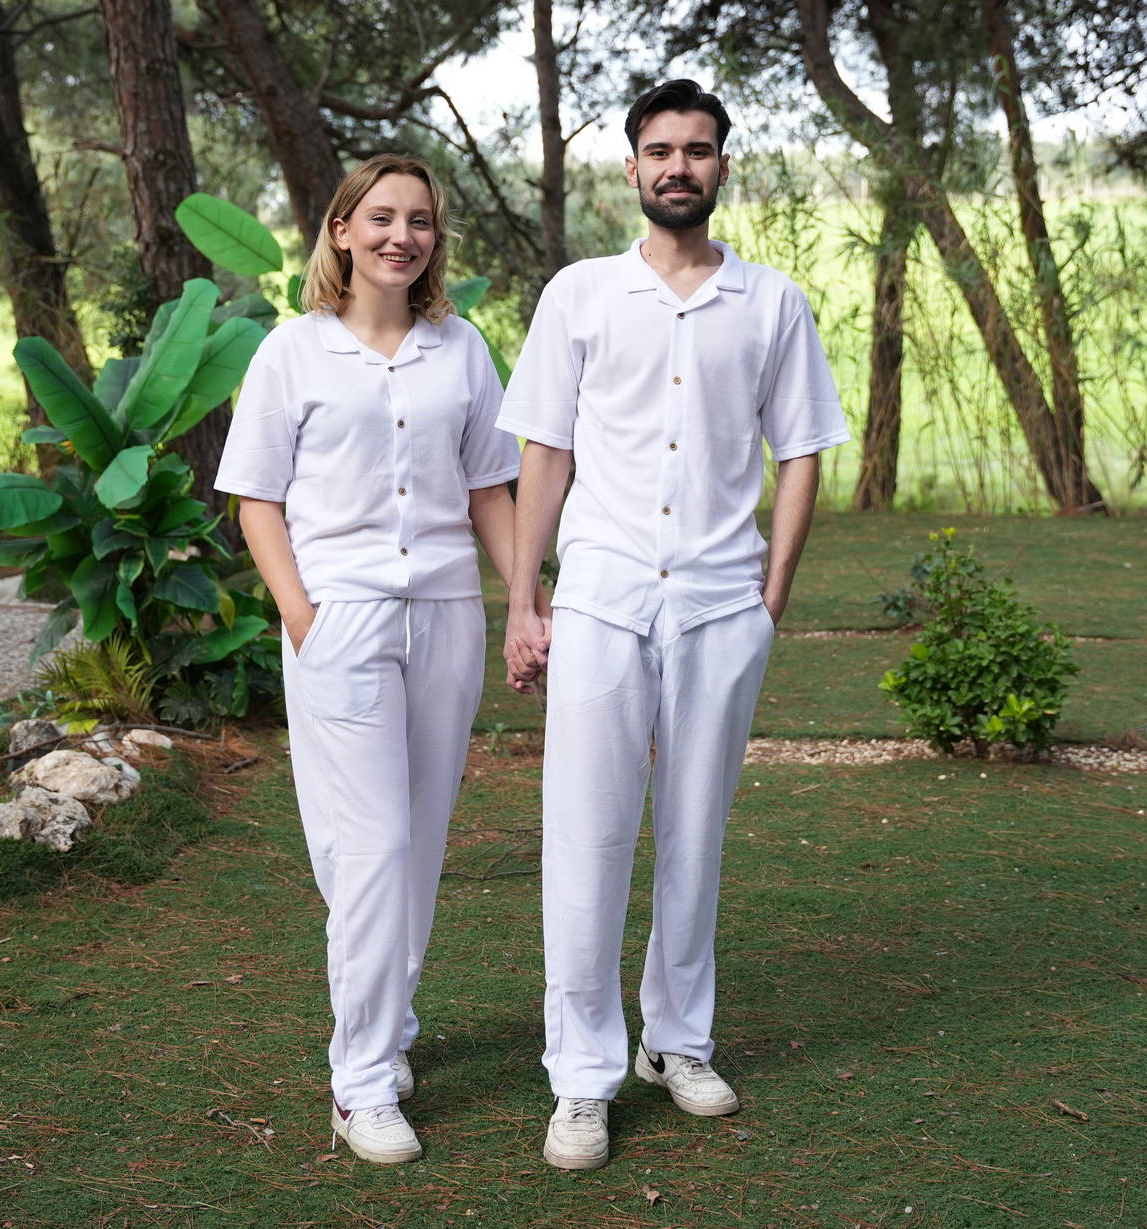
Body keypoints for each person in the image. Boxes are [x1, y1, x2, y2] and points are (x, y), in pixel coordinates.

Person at [497, 80, 849, 1170]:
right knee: (587, 837)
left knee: (695, 831)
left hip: (719, 602)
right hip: (601, 595)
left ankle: (677, 1040)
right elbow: (544, 450)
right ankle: (581, 1076)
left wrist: (771, 592)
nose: (678, 166)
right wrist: (523, 596)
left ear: (722, 166)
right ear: (632, 168)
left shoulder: (772, 303)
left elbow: (801, 449)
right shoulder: (580, 294)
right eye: (660, 150)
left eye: (697, 150)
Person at [216, 153, 528, 1165]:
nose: (403, 236)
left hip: (446, 614)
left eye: (421, 220)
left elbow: (487, 488)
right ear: (342, 230)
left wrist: (527, 599)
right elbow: (255, 497)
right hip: (340, 617)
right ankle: (358, 1083)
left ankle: (386, 1028)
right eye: (382, 217)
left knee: (417, 842)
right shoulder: (291, 351)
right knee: (373, 846)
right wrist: (301, 615)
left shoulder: (460, 349)